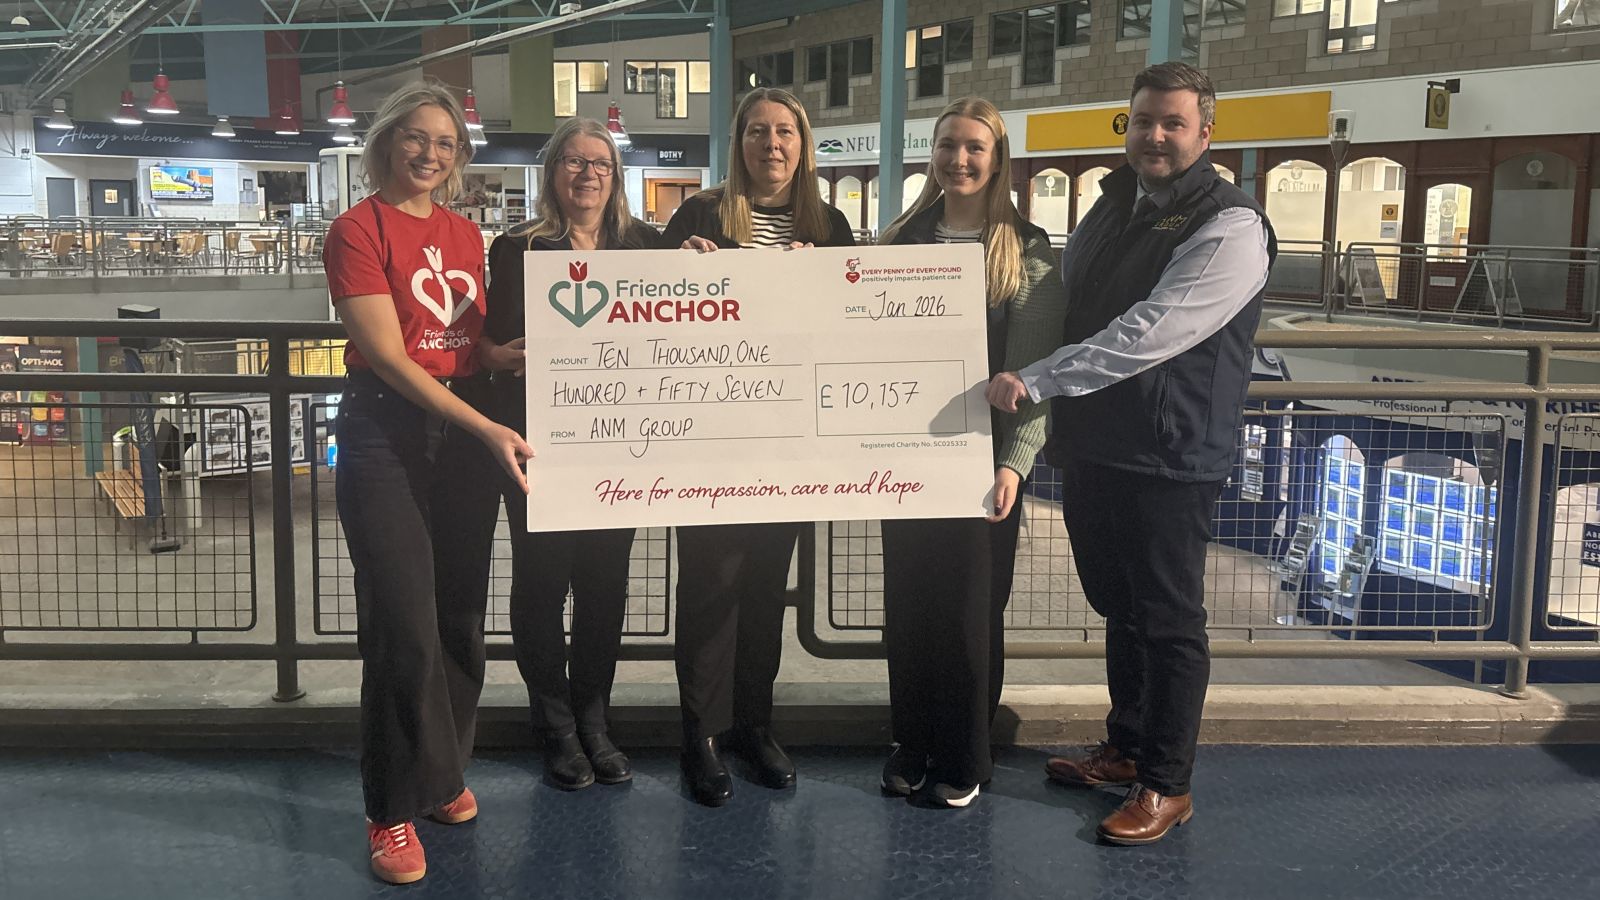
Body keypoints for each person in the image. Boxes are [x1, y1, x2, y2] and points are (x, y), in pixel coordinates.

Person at [987, 61, 1275, 846]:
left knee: (1169, 619)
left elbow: (1152, 332)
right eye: (1142, 121)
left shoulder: (1231, 224)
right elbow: (1067, 296)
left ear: (1205, 133)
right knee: (1120, 605)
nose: (1154, 136)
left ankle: (1166, 783)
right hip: (1100, 446)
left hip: (1170, 454)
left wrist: (1036, 378)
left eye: (1172, 123)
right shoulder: (1114, 204)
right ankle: (1127, 746)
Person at [322, 82, 533, 885]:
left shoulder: (463, 232)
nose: (430, 153)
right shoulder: (356, 230)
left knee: (458, 619)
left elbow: (455, 340)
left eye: (445, 143)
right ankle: (389, 808)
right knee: (401, 627)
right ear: (386, 141)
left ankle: (441, 774)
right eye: (416, 137)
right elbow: (389, 355)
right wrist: (484, 425)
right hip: (386, 437)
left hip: (460, 436)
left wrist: (494, 358)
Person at [431, 117, 663, 792]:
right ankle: (555, 724)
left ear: (616, 177)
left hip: (620, 443)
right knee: (541, 581)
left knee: (605, 585)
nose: (587, 174)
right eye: (573, 162)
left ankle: (594, 719)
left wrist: (703, 258)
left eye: (600, 164)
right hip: (539, 439)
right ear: (552, 171)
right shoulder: (517, 248)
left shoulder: (647, 245)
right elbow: (485, 341)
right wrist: (492, 355)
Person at [660, 87, 855, 807]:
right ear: (738, 142)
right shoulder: (699, 215)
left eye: (784, 132)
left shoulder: (829, 225)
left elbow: (851, 327)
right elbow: (651, 316)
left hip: (789, 443)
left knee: (767, 586)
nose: (771, 144)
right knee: (709, 584)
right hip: (711, 440)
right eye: (756, 131)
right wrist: (676, 266)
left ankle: (753, 724)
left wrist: (822, 282)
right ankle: (701, 735)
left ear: (803, 144)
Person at [875, 98, 1065, 809]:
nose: (959, 159)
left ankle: (966, 755)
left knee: (969, 613)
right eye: (947, 145)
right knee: (909, 604)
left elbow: (1034, 372)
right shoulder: (900, 240)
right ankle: (911, 742)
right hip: (903, 460)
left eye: (974, 148)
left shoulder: (1026, 249)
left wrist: (1016, 461)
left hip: (982, 468)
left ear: (997, 158)